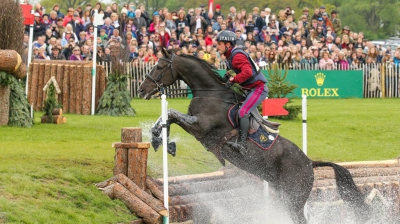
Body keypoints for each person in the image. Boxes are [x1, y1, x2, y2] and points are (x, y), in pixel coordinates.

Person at [216, 30, 268, 155]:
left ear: (227, 44)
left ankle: (243, 144)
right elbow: (235, 69)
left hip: (258, 89)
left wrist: (234, 80)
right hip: (249, 90)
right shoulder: (231, 56)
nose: (217, 46)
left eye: (219, 44)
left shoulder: (236, 56)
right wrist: (227, 75)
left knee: (243, 111)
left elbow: (247, 72)